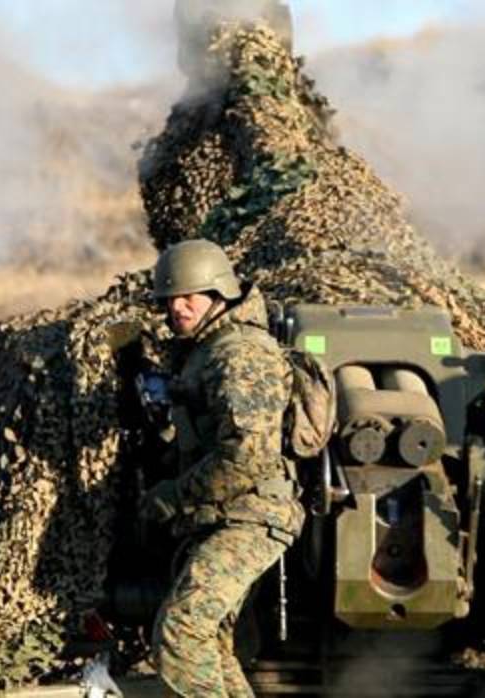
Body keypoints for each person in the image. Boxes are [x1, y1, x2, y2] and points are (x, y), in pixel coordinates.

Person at [139, 239, 304, 697]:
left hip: (250, 518)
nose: (178, 306)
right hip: (225, 516)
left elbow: (249, 454)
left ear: (220, 295)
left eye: (190, 296)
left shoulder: (240, 354)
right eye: (170, 299)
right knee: (210, 642)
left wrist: (174, 496)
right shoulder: (205, 352)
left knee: (181, 633)